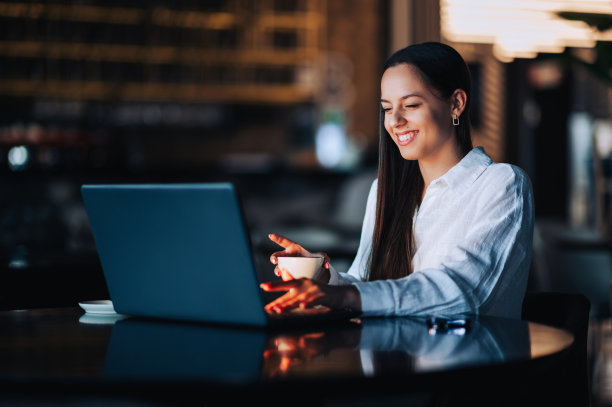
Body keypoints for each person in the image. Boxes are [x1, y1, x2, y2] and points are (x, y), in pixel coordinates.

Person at [260, 42, 534, 319]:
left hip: (468, 359)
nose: (395, 121)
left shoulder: (502, 184)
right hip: (390, 356)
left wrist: (344, 295)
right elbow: (367, 286)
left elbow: (464, 291)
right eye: (387, 109)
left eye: (411, 105)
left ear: (456, 104)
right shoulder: (383, 191)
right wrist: (324, 279)